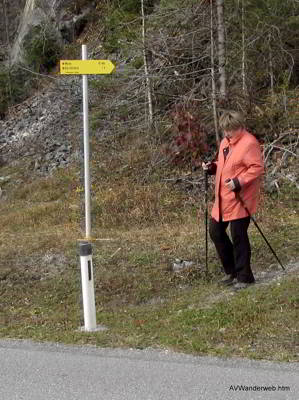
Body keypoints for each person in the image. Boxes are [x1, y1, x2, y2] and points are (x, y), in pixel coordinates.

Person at [202, 111, 264, 290]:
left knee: (238, 235)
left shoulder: (249, 143)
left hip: (240, 197)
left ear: (239, 126)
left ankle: (245, 277)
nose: (228, 133)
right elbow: (224, 165)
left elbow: (257, 167)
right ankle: (232, 272)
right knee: (215, 232)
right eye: (226, 130)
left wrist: (239, 181)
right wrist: (212, 167)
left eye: (231, 130)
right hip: (222, 198)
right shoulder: (225, 143)